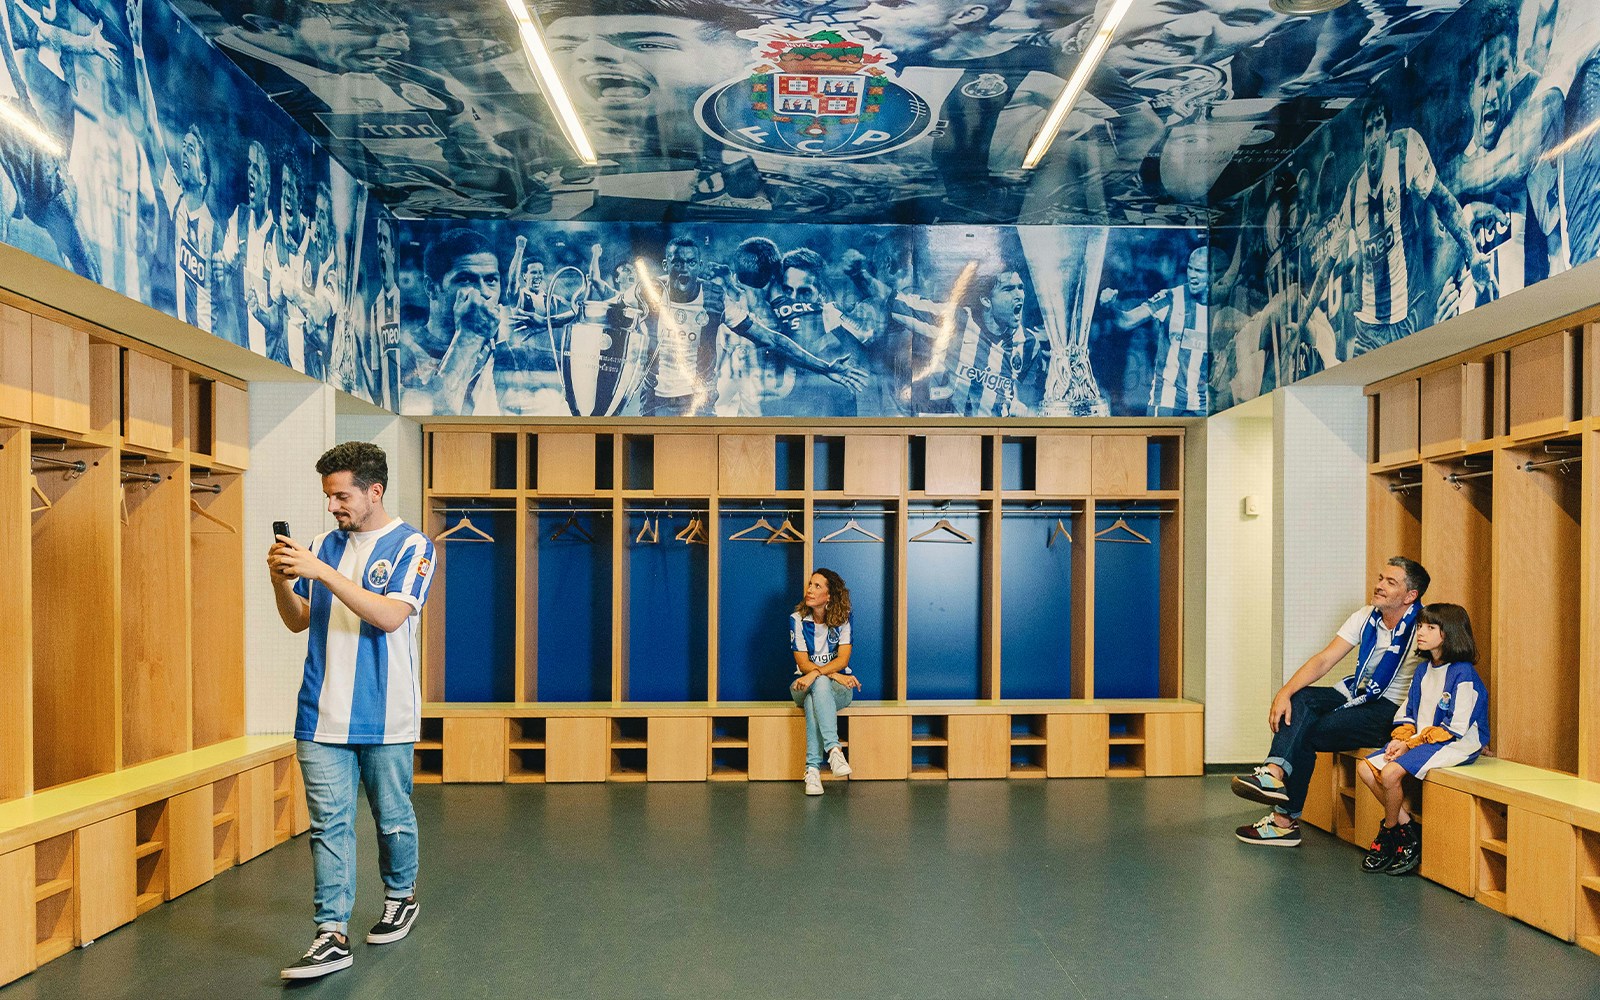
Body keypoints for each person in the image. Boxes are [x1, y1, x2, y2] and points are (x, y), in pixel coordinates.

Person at [266, 442, 435, 980]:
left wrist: (322, 572)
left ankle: (401, 895)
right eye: (329, 496)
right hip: (319, 713)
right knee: (329, 826)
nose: (334, 506)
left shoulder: (414, 545)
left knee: (392, 818)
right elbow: (299, 621)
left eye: (342, 495)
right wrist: (282, 580)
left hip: (387, 714)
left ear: (373, 491)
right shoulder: (322, 545)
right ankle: (330, 934)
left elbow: (389, 617)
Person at [1233, 556, 1430, 847]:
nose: (1379, 586)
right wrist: (1283, 692)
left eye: (1391, 582)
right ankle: (1273, 774)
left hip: (1389, 709)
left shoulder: (1423, 627)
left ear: (1411, 595)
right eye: (1380, 579)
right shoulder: (1366, 616)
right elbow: (1324, 659)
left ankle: (1283, 822)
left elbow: (1441, 675)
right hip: (1356, 692)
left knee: (1305, 730)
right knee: (1300, 700)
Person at [1300, 99, 1489, 356]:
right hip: (1367, 326)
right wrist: (1302, 321)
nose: (1374, 136)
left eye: (1379, 127)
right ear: (1364, 142)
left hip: (1405, 315)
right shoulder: (1353, 192)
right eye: (1369, 130)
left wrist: (1473, 253)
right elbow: (1327, 267)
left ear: (1387, 134)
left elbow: (1443, 202)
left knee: (1406, 385)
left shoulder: (1404, 152)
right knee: (1364, 390)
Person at [1356, 603, 1489, 876]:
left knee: (1391, 773)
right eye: (1420, 626)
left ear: (1449, 634)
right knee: (1365, 769)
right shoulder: (1423, 669)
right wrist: (1402, 738)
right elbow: (1408, 711)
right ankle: (1407, 832)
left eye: (1430, 627)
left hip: (1456, 742)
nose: (1421, 632)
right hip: (1422, 740)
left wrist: (1410, 744)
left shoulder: (1463, 673)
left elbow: (1456, 727)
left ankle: (1390, 832)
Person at [1097, 246, 1217, 417]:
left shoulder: (1223, 307)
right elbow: (1126, 320)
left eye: (1199, 271)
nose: (1192, 275)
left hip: (1202, 404)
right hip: (1167, 401)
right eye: (1190, 268)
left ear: (1212, 274)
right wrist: (1111, 306)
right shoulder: (1171, 298)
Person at [790, 568, 860, 796]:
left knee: (815, 695)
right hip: (802, 686)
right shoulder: (797, 620)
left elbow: (843, 659)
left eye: (817, 586)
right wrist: (832, 674)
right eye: (810, 584)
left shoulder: (844, 618)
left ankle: (812, 771)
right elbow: (802, 663)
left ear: (829, 595)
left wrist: (818, 674)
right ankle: (833, 749)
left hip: (838, 690)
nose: (810, 590)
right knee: (816, 686)